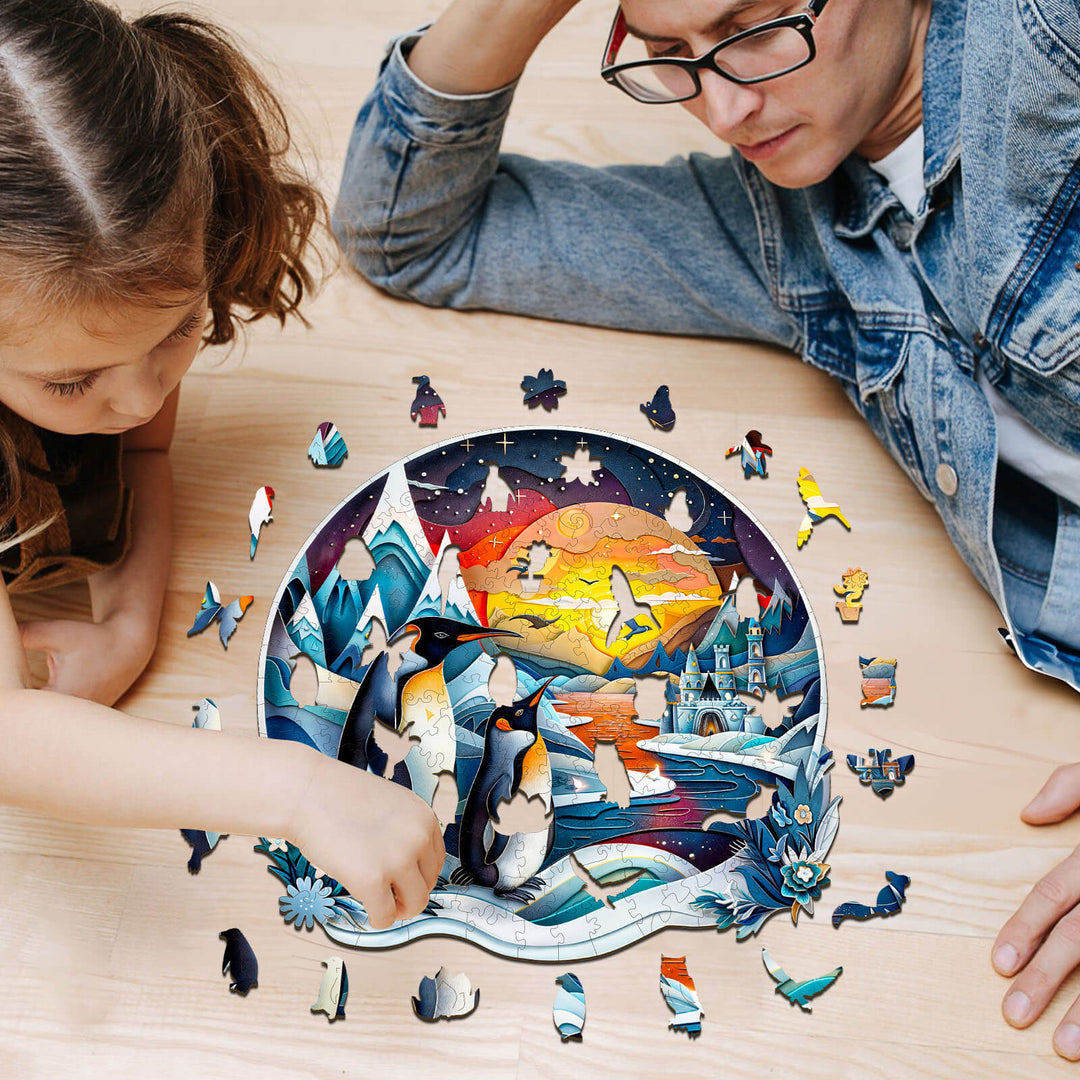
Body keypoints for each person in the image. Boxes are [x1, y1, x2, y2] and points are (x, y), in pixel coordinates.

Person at [331, 0, 1080, 1055]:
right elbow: (405, 231)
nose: (724, 109)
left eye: (755, 26)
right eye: (668, 53)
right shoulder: (778, 222)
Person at [0, 0, 444, 932]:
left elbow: (145, 446)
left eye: (178, 330)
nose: (138, 397)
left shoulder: (114, 332)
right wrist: (297, 789)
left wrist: (129, 625)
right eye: (72, 382)